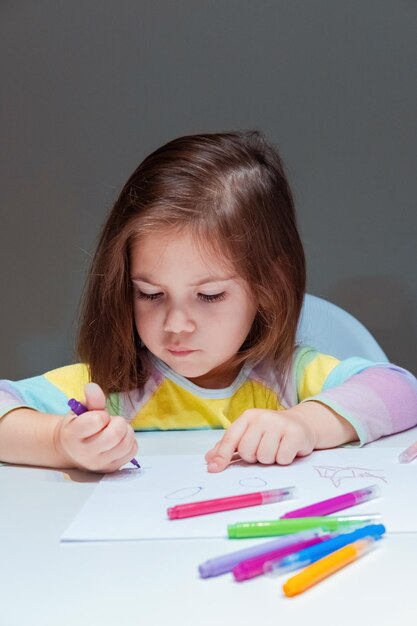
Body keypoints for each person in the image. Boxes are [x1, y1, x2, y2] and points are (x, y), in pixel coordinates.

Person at [0, 131, 416, 473]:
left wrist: (306, 423)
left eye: (209, 295)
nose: (176, 323)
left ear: (269, 283)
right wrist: (62, 442)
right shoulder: (115, 387)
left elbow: (402, 389)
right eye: (150, 294)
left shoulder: (288, 377)